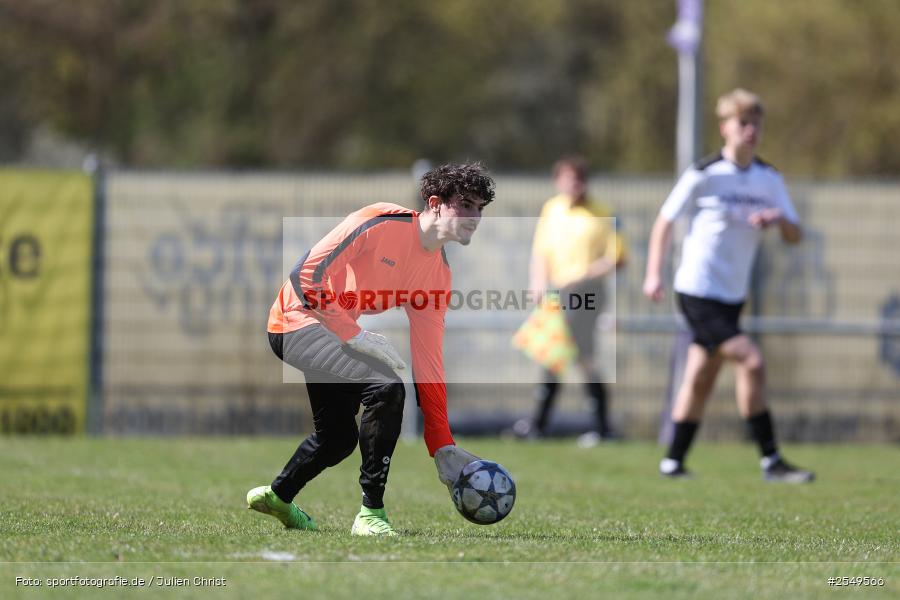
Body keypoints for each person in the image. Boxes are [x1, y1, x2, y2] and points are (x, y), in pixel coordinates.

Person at [247, 163, 496, 536]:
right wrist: (353, 334)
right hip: (295, 320)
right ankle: (371, 514)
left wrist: (441, 443)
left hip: (332, 332)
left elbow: (429, 363)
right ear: (435, 203)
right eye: (465, 205)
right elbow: (306, 276)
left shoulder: (438, 277)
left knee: (337, 441)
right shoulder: (380, 222)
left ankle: (278, 496)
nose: (474, 216)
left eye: (480, 208)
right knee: (386, 388)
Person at [643, 88, 814, 483]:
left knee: (700, 376)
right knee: (750, 360)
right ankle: (771, 460)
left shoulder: (768, 179)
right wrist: (654, 274)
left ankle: (672, 462)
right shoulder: (704, 173)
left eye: (756, 123)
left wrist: (777, 221)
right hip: (697, 290)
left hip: (732, 296)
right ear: (725, 128)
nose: (751, 130)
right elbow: (665, 221)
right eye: (743, 123)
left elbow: (795, 235)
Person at [514, 156, 626, 446]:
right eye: (567, 177)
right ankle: (596, 427)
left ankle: (542, 424)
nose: (573, 183)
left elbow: (617, 257)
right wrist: (537, 282)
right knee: (570, 354)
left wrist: (586, 273)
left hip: (588, 291)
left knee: (567, 352)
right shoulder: (551, 209)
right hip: (560, 292)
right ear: (558, 181)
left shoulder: (601, 212)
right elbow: (541, 251)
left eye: (578, 178)